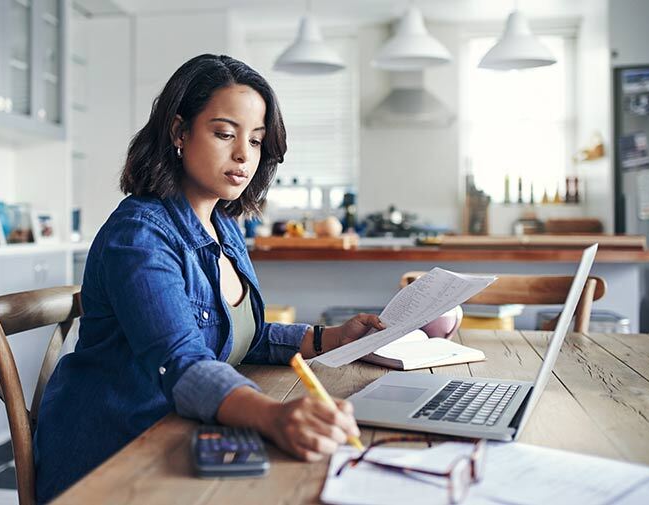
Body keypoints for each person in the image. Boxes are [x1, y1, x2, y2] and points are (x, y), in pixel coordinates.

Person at [33, 54, 385, 503]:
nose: (244, 155)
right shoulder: (140, 236)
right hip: (115, 458)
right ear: (179, 132)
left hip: (180, 437)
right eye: (224, 134)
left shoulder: (224, 226)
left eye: (256, 142)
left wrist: (328, 338)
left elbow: (237, 336)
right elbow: (183, 361)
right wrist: (275, 417)